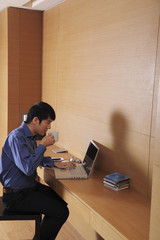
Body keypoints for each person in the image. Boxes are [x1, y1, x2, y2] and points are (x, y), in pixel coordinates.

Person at [0, 101, 75, 240]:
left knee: (60, 203)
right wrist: (43, 145)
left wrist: (54, 163)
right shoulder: (16, 137)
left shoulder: (28, 136)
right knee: (61, 212)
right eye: (47, 122)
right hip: (16, 196)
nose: (49, 127)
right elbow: (28, 168)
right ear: (35, 120)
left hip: (28, 188)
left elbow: (34, 159)